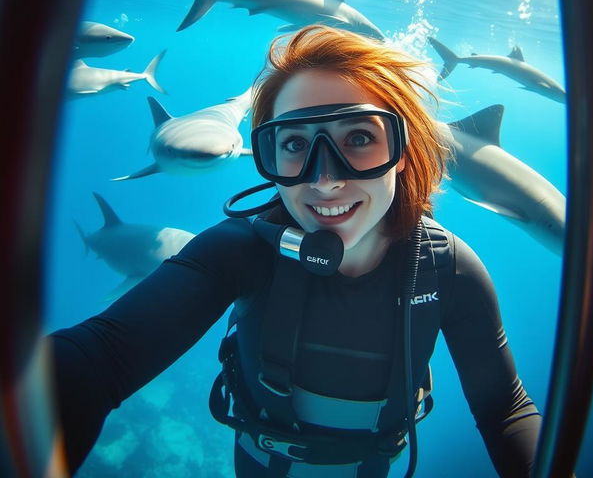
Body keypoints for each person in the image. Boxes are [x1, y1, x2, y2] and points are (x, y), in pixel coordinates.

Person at [49, 25, 541, 477]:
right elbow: (101, 357)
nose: (324, 178)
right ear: (268, 157)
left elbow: (507, 412)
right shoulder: (239, 250)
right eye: (293, 144)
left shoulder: (446, 268)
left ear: (405, 150)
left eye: (360, 137)